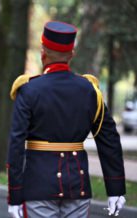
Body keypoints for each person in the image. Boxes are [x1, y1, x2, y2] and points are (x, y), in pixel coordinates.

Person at [7, 21, 126, 218]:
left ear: (42, 52)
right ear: (72, 54)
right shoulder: (89, 90)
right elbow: (109, 140)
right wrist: (116, 188)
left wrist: (15, 196)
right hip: (77, 185)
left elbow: (16, 145)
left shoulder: (28, 90)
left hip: (38, 185)